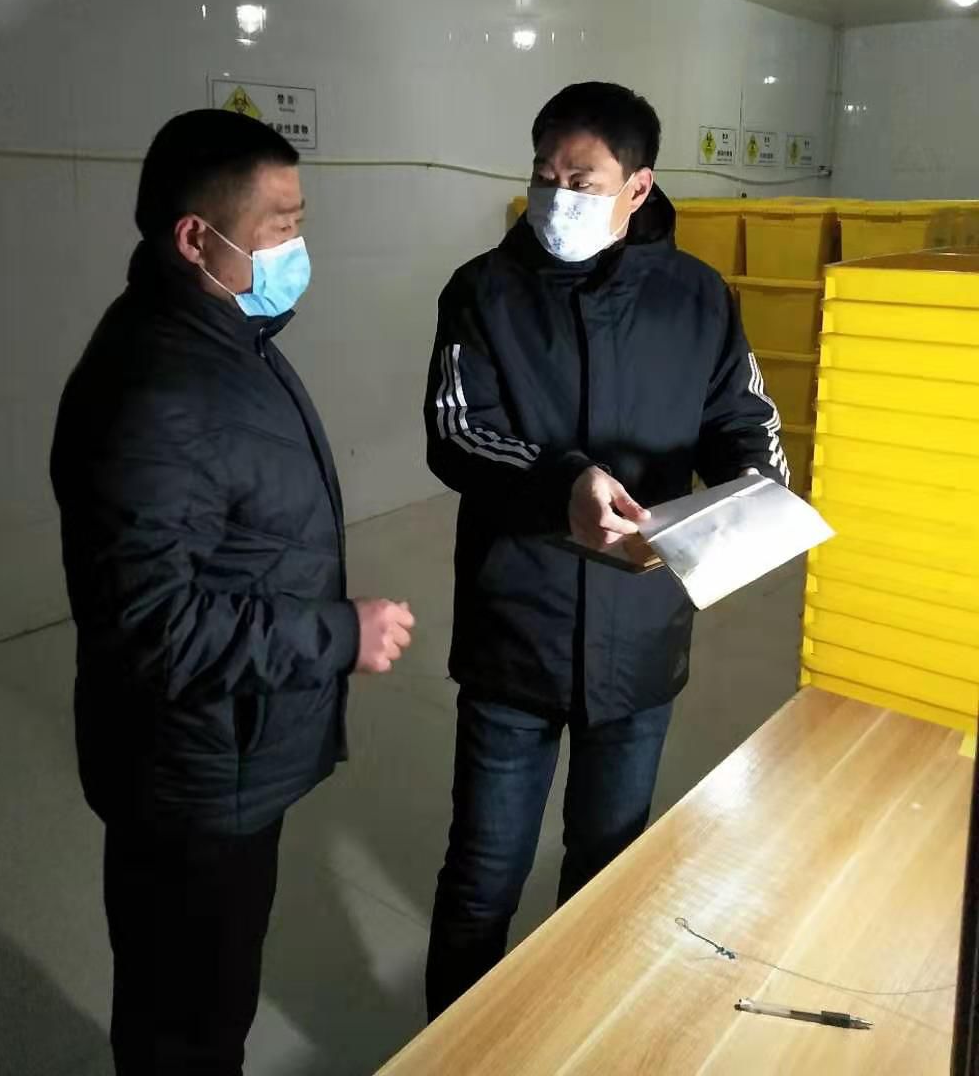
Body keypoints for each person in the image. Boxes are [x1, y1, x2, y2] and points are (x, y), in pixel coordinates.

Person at [51, 110, 415, 1075]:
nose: (298, 246)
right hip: (194, 774)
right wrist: (338, 635)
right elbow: (152, 627)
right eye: (281, 226)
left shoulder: (222, 336)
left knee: (201, 994)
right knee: (190, 1019)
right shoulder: (158, 390)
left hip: (227, 751)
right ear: (195, 237)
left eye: (300, 222)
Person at [422, 81, 787, 1018]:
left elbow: (743, 421)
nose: (555, 195)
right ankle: (454, 1047)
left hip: (641, 631)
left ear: (638, 186)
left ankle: (579, 1032)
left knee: (608, 862)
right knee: (484, 870)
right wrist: (565, 483)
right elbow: (458, 433)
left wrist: (752, 493)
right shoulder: (483, 291)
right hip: (517, 627)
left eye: (580, 180)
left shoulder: (697, 297)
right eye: (543, 174)